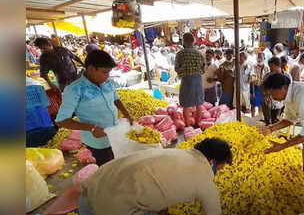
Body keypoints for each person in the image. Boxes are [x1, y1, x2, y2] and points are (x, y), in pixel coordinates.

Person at [79, 138, 232, 215]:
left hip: (90, 190)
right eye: (221, 166)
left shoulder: (179, 152)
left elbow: (159, 179)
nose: (219, 171)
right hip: (102, 208)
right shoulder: (205, 180)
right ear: (212, 161)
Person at [55, 50, 132, 166]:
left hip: (115, 134)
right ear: (91, 69)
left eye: (109, 72)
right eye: (104, 72)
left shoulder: (108, 83)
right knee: (107, 170)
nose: (107, 76)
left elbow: (116, 99)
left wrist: (127, 115)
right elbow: (61, 121)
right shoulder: (74, 90)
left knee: (120, 163)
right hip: (97, 142)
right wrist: (91, 128)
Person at [175, 33, 206, 127]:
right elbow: (203, 69)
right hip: (198, 80)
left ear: (183, 41)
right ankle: (197, 124)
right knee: (199, 103)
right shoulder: (199, 53)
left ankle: (188, 126)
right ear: (193, 41)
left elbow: (177, 68)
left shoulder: (180, 54)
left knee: (186, 104)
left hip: (187, 80)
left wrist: (183, 72)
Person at [261, 56, 291, 125]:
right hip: (269, 103)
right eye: (269, 66)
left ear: (278, 66)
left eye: (272, 66)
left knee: (278, 120)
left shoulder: (287, 76)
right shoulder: (267, 76)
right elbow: (262, 88)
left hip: (281, 103)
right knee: (268, 121)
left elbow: (288, 91)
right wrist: (265, 96)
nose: (270, 68)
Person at [250, 53, 269, 117]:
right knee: (253, 105)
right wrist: (252, 92)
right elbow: (252, 80)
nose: (259, 59)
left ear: (264, 58)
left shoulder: (266, 67)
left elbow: (268, 80)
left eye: (261, 57)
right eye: (258, 57)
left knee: (261, 105)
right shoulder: (254, 66)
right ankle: (252, 118)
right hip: (255, 88)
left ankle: (259, 119)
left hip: (263, 89)